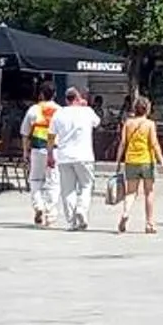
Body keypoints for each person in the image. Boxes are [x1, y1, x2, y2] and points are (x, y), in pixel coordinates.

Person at [47, 87, 104, 231]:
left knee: (67, 190)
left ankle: (72, 222)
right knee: (86, 185)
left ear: (66, 99)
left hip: (64, 156)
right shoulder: (87, 111)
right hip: (84, 156)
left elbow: (51, 136)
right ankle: (81, 209)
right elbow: (97, 122)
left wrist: (50, 154)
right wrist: (86, 106)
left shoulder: (59, 113)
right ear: (78, 98)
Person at [116, 94, 163, 234]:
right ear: (147, 109)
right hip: (146, 161)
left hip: (131, 160)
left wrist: (118, 161)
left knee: (131, 192)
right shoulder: (149, 124)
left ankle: (126, 212)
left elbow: (123, 143)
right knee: (149, 192)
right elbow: (154, 144)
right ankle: (149, 223)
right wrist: (162, 162)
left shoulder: (128, 123)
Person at [20, 86, 61, 227]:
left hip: (37, 149)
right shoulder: (60, 111)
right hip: (54, 151)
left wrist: (25, 152)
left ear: (41, 94)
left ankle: (38, 206)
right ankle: (50, 214)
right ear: (54, 94)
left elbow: (25, 133)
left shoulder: (33, 110)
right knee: (53, 182)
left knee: (35, 179)